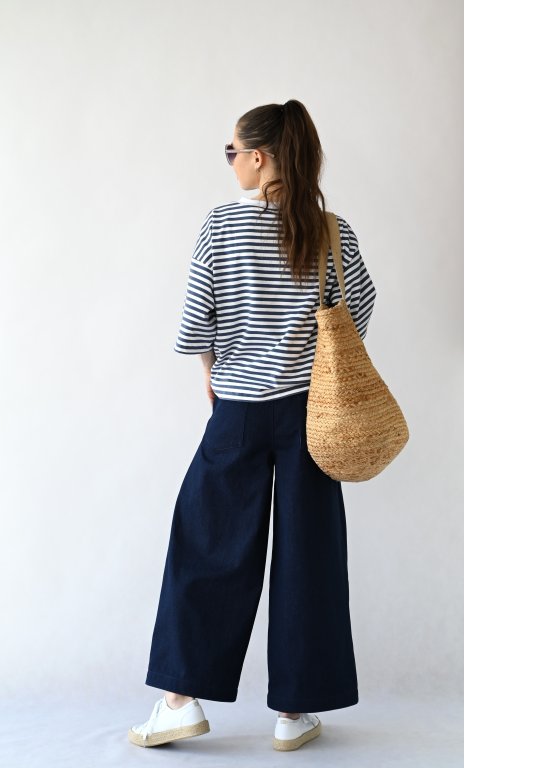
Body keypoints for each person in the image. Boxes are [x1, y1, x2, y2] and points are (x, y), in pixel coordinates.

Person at [128, 99, 377, 751]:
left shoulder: (221, 225)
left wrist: (215, 375)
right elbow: (358, 313)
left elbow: (195, 325)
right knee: (309, 558)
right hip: (309, 419)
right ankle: (295, 712)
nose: (231, 161)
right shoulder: (332, 231)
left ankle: (180, 703)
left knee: (206, 548)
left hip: (236, 413)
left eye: (232, 151)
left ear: (259, 157)